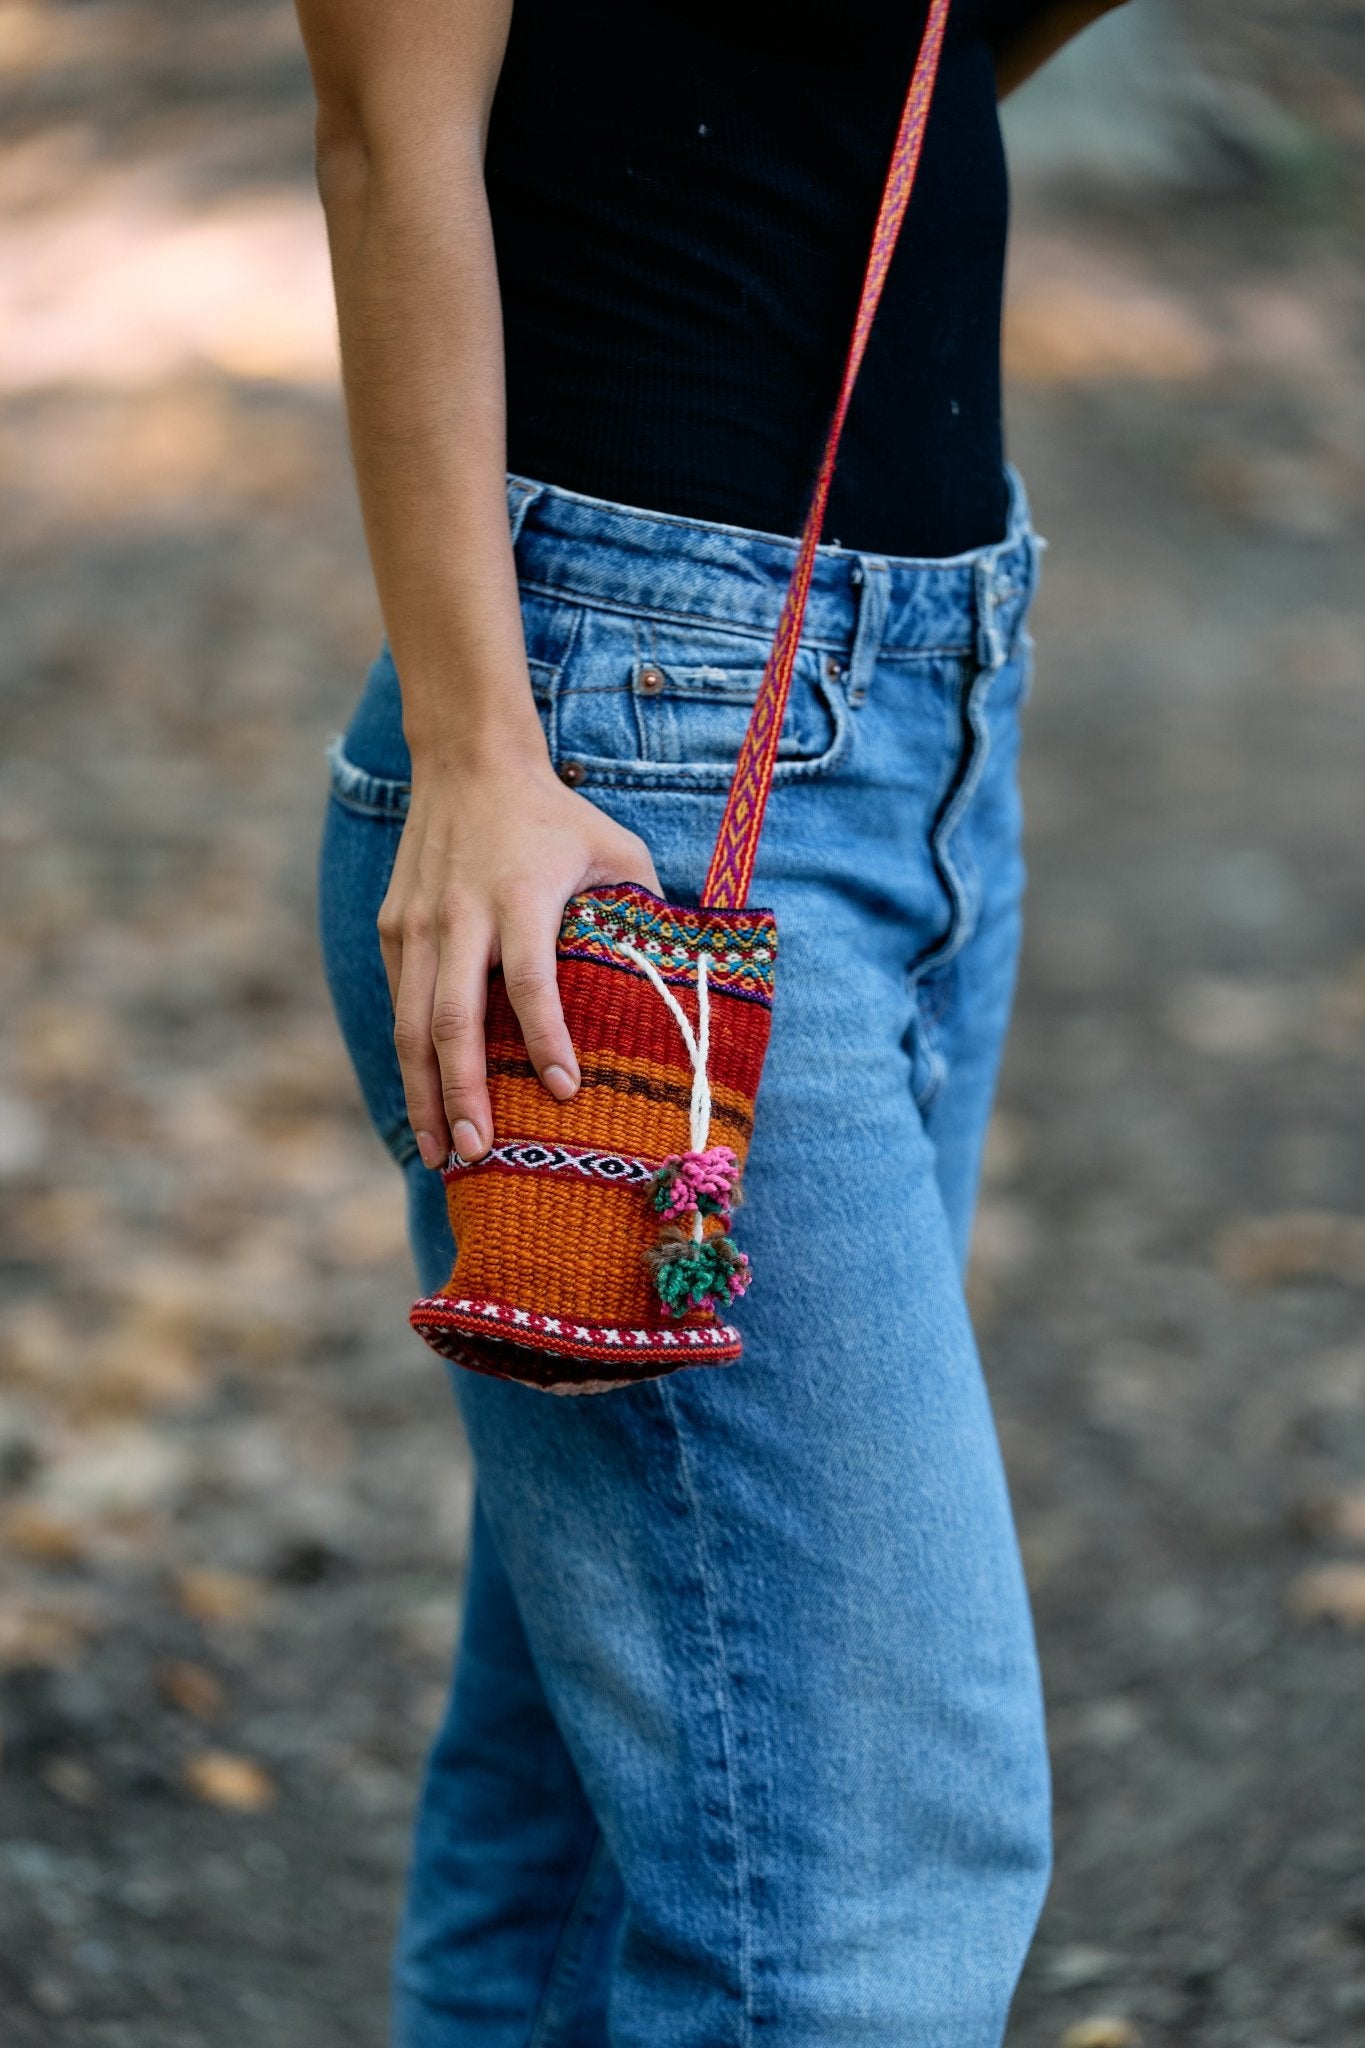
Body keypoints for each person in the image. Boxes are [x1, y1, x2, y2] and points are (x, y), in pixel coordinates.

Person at [300, 1, 1126, 2041]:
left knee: (599, 1788)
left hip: (928, 702)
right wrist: (483, 743)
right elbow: (387, 142)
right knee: (855, 1883)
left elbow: (843, 83)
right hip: (626, 760)